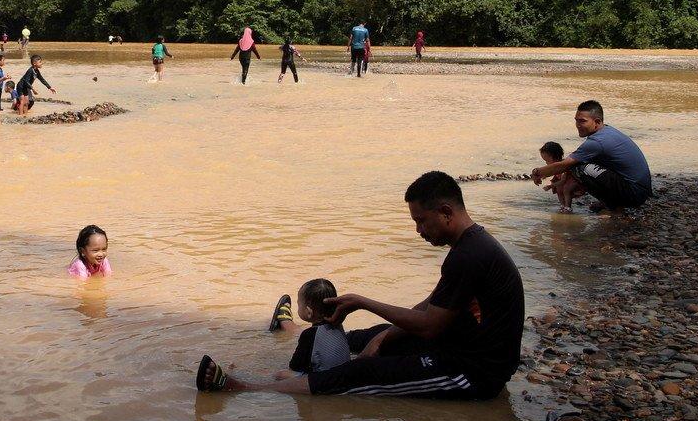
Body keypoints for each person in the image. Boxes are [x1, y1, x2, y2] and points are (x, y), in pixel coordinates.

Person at [196, 171, 524, 400]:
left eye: (421, 221)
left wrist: (364, 302)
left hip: (472, 374)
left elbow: (428, 326)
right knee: (367, 337)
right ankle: (292, 330)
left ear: (446, 212)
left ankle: (243, 389)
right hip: (456, 343)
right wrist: (382, 336)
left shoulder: (468, 256)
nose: (419, 231)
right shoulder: (470, 246)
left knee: (358, 374)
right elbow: (429, 307)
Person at [530, 100, 652, 211]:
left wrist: (537, 172)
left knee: (578, 168)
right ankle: (609, 202)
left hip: (634, 193)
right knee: (584, 164)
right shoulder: (607, 131)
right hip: (639, 189)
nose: (577, 125)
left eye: (582, 121)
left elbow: (565, 165)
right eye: (576, 120)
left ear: (597, 122)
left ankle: (613, 206)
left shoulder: (597, 142)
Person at [267, 280, 353, 376]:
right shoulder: (338, 325)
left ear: (309, 312)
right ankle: (286, 324)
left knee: (281, 374)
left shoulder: (309, 334)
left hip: (322, 382)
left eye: (299, 304)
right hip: (342, 376)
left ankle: (285, 323)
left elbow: (295, 366)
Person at [15, 53, 56, 117]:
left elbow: (42, 79)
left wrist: (50, 87)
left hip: (26, 87)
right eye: (40, 62)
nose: (41, 63)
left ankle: (25, 116)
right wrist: (33, 89)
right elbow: (26, 81)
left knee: (27, 102)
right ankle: (20, 116)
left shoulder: (36, 71)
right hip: (21, 86)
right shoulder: (30, 70)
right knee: (22, 101)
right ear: (34, 63)